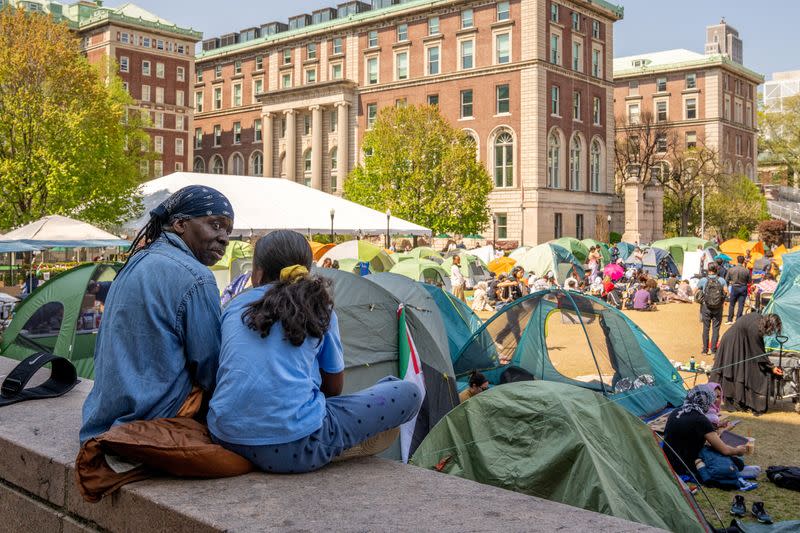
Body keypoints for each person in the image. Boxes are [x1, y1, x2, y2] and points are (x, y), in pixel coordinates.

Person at [207, 230, 422, 473]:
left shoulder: (233, 307)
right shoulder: (320, 309)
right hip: (296, 448)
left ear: (256, 274)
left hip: (225, 438)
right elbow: (334, 388)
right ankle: (333, 446)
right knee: (406, 391)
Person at [80, 186, 234, 443]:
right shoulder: (196, 277)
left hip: (102, 422)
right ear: (180, 224)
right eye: (215, 225)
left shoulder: (137, 261)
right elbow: (211, 367)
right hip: (153, 423)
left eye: (227, 231)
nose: (224, 238)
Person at [662, 386, 748, 478]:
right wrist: (738, 450)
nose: (713, 403)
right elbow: (725, 450)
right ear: (706, 401)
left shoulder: (676, 411)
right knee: (738, 462)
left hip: (667, 460)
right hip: (684, 465)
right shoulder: (700, 419)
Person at [710, 313, 784, 415]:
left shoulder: (758, 319)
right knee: (731, 371)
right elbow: (758, 352)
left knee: (739, 371)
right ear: (769, 324)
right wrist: (771, 367)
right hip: (731, 343)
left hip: (738, 342)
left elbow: (758, 348)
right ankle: (732, 401)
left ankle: (739, 401)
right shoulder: (755, 327)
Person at [697, 263, 728, 356]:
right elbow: (726, 292)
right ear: (717, 270)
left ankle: (705, 350)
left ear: (708, 269)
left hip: (706, 306)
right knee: (716, 328)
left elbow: (695, 291)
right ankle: (713, 349)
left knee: (706, 328)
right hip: (718, 307)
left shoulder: (703, 280)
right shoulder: (721, 280)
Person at [725, 256, 750, 325]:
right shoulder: (746, 270)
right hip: (743, 288)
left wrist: (726, 289)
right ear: (743, 261)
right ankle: (738, 320)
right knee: (741, 305)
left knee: (732, 304)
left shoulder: (731, 269)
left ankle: (730, 319)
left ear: (737, 260)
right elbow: (749, 281)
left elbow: (726, 280)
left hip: (734, 287)